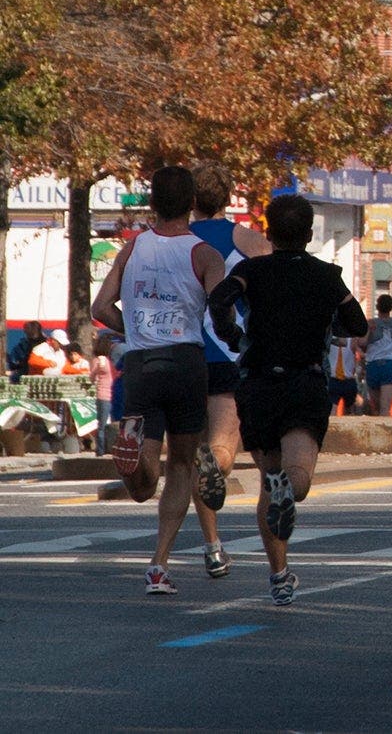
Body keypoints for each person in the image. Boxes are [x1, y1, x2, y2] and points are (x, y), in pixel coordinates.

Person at [205, 194, 368, 606]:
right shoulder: (327, 276)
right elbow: (357, 323)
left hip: (257, 381)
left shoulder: (250, 270)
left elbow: (220, 299)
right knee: (298, 479)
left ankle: (279, 574)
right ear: (310, 234)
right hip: (304, 382)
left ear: (269, 233)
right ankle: (286, 493)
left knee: (268, 476)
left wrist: (233, 336)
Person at [92, 165, 229, 595]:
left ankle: (134, 466)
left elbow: (101, 307)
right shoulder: (206, 254)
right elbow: (223, 312)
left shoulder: (132, 250)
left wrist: (130, 328)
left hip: (141, 362)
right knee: (183, 465)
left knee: (144, 483)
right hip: (187, 361)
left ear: (152, 203)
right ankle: (159, 564)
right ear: (191, 204)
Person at [186, 164, 272, 579]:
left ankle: (212, 545)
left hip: (179, 355)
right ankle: (215, 465)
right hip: (227, 352)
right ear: (227, 197)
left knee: (192, 452)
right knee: (221, 451)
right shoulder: (246, 239)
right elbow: (277, 281)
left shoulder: (171, 239)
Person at [91, 336, 118, 455]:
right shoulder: (104, 361)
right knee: (107, 424)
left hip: (107, 394)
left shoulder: (103, 360)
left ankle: (105, 449)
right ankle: (105, 449)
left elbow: (92, 377)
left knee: (106, 424)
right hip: (108, 394)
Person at [326, 334, 362, 417]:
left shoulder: (352, 339)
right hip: (333, 378)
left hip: (348, 379)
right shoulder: (330, 338)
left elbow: (360, 352)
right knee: (332, 409)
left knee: (350, 410)